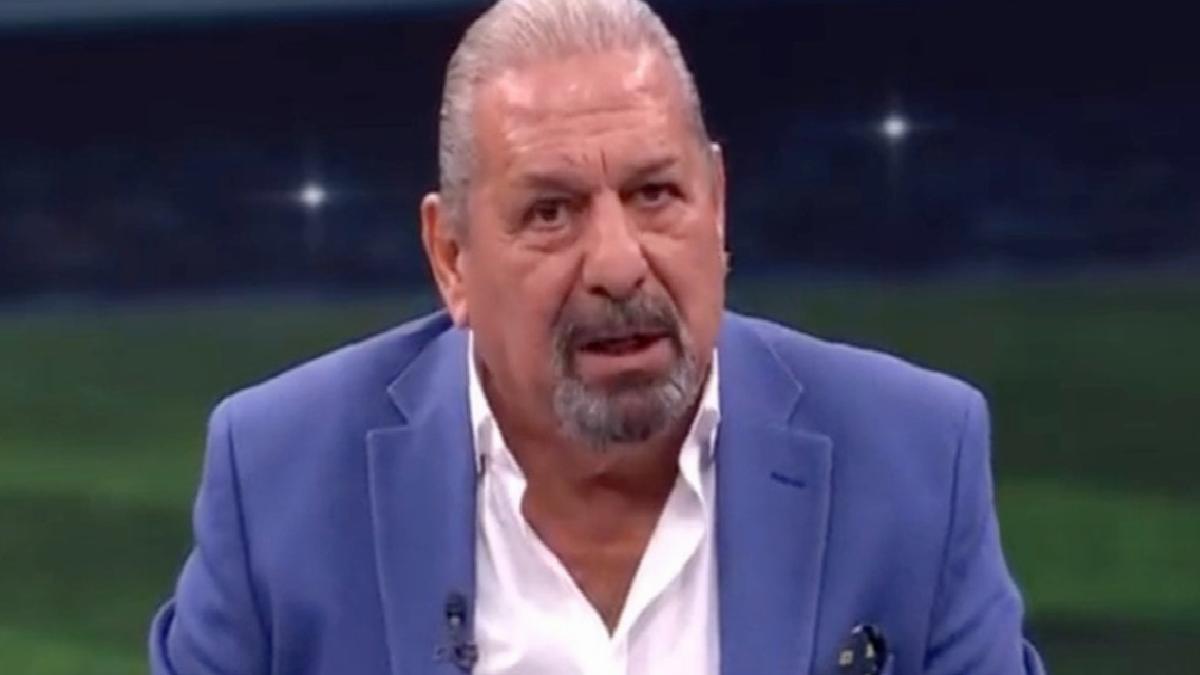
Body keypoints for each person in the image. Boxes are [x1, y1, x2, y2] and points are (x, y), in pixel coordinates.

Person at [150, 0, 1045, 673]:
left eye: (656, 194)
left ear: (717, 207)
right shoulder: (278, 479)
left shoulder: (915, 457)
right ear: (451, 256)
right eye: (551, 211)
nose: (619, 265)